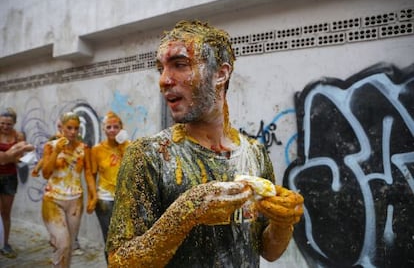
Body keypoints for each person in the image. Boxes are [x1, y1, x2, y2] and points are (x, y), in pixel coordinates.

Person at [106, 20, 304, 267]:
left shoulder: (255, 153)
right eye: (161, 69)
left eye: (180, 65)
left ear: (221, 74)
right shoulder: (149, 156)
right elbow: (119, 261)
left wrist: (283, 222)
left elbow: (268, 251)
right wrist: (186, 213)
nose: (164, 80)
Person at [41, 111, 97, 267]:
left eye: (76, 128)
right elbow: (46, 173)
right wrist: (57, 151)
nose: (73, 132)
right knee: (63, 244)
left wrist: (93, 195)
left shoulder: (83, 148)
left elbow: (88, 174)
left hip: (75, 201)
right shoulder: (50, 146)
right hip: (53, 199)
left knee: (69, 246)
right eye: (69, 128)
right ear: (62, 128)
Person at [90, 111, 130, 263]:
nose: (112, 130)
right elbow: (91, 176)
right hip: (105, 200)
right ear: (104, 130)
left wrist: (123, 146)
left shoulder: (129, 146)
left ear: (121, 129)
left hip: (125, 199)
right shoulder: (97, 150)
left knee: (127, 237)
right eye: (109, 127)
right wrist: (93, 197)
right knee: (110, 239)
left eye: (116, 127)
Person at [0, 107, 27, 258]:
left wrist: (7, 157)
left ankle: (5, 243)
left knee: (6, 213)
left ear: (14, 124)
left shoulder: (18, 136)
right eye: (2, 123)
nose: (5, 127)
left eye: (8, 124)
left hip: (10, 177)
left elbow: (20, 158)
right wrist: (10, 156)